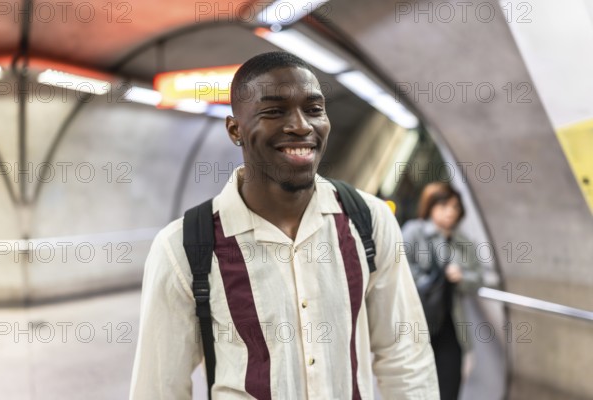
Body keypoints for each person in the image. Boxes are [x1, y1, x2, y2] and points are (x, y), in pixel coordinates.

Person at [129, 51, 439, 399]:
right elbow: (159, 389)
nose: (301, 125)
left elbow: (404, 356)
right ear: (235, 130)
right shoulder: (185, 248)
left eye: (314, 109)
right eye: (274, 111)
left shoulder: (367, 221)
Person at [401, 182, 483, 400]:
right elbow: (400, 268)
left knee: (449, 385)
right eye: (444, 205)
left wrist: (461, 277)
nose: (450, 212)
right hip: (418, 320)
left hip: (450, 322)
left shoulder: (461, 241)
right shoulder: (414, 231)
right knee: (415, 387)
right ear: (431, 206)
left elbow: (478, 278)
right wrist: (430, 280)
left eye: (455, 207)